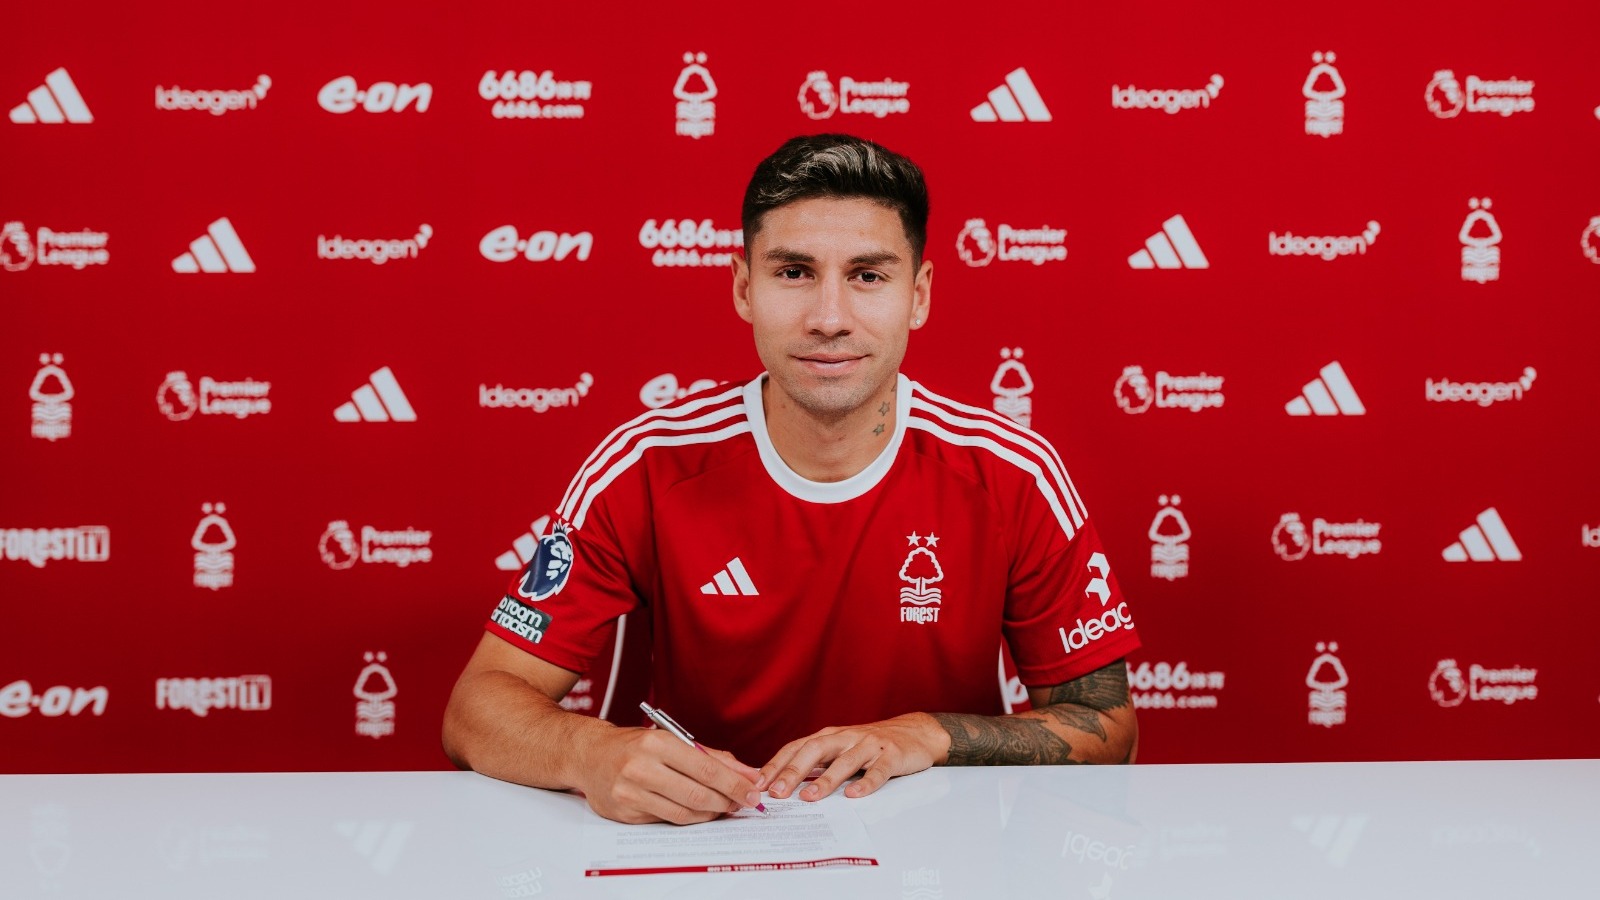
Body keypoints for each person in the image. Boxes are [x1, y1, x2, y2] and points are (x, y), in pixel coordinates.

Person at [442, 134, 1140, 825]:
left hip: (938, 853)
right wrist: (587, 752)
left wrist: (928, 735)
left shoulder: (1012, 473)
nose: (829, 319)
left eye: (868, 276)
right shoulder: (646, 466)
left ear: (919, 295)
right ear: (744, 288)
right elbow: (476, 708)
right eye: (795, 273)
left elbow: (1110, 726)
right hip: (698, 847)